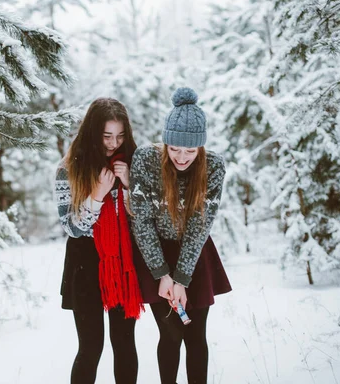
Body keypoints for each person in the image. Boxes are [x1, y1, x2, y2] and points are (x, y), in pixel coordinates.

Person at [129, 87, 232, 384]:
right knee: (171, 333)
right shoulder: (146, 160)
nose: (182, 157)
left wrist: (183, 279)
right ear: (165, 143)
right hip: (155, 253)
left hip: (194, 253)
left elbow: (201, 225)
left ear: (200, 147)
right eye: (174, 149)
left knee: (196, 333)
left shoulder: (213, 167)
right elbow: (142, 222)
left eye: (190, 150)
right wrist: (162, 274)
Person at [55, 98, 144, 384]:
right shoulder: (68, 169)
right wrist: (96, 196)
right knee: (91, 347)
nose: (113, 143)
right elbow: (72, 228)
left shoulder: (133, 163)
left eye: (119, 136)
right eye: (106, 136)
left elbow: (143, 220)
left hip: (122, 265)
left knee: (124, 344)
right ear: (93, 133)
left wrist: (130, 186)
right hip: (85, 266)